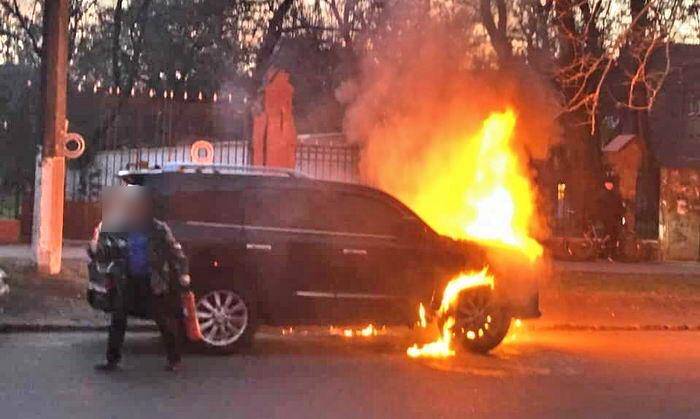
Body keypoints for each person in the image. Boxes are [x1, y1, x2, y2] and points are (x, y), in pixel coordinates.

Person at [89, 186, 190, 372]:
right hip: (128, 280)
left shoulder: (159, 229)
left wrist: (183, 274)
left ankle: (174, 359)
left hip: (152, 281)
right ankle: (112, 361)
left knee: (163, 320)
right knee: (118, 319)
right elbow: (111, 251)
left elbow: (176, 253)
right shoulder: (123, 228)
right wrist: (95, 249)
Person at [598, 177, 625, 261]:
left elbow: (619, 206)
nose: (609, 185)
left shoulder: (615, 195)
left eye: (610, 184)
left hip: (615, 218)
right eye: (608, 184)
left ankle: (611, 253)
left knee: (614, 236)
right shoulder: (602, 195)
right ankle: (605, 253)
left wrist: (621, 212)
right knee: (609, 234)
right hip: (606, 218)